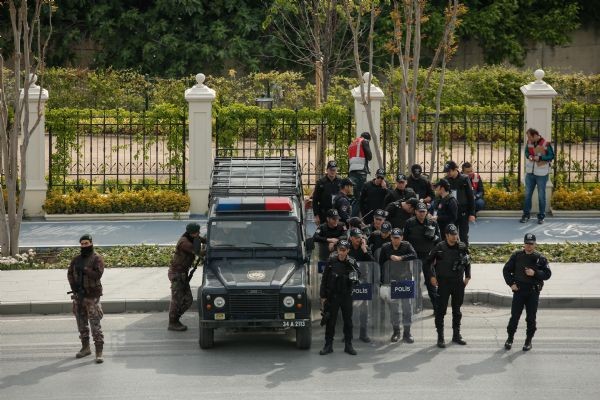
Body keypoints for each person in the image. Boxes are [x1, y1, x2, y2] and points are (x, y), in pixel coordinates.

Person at [502, 233, 552, 351]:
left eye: (531, 244)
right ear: (523, 244)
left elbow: (547, 274)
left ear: (535, 244)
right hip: (519, 291)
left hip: (532, 292)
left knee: (530, 318)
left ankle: (528, 340)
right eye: (527, 243)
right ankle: (510, 338)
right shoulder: (517, 255)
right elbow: (506, 270)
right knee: (514, 317)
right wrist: (511, 283)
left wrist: (535, 273)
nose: (529, 246)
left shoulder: (540, 258)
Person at [426, 224, 471, 349]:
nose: (455, 236)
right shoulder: (440, 247)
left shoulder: (462, 247)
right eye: (452, 234)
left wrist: (468, 276)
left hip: (458, 283)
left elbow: (467, 261)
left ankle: (456, 335)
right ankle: (440, 337)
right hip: (444, 283)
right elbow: (428, 262)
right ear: (446, 235)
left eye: (456, 234)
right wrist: (432, 276)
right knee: (441, 311)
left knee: (457, 310)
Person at [67, 234, 106, 363]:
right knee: (81, 323)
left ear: (91, 243)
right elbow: (70, 273)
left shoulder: (97, 259)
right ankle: (85, 348)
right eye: (82, 244)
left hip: (92, 296)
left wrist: (85, 270)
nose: (84, 246)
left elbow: (97, 275)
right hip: (79, 296)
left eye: (86, 243)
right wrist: (74, 287)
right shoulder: (76, 259)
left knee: (95, 324)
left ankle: (99, 352)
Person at [319, 240, 361, 356]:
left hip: (346, 295)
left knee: (348, 321)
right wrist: (323, 296)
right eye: (339, 250)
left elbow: (358, 276)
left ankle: (348, 345)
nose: (341, 252)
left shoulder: (352, 262)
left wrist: (354, 277)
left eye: (344, 250)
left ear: (348, 250)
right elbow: (325, 278)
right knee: (330, 322)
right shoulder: (331, 261)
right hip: (333, 296)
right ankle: (328, 346)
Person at [378, 228, 417, 343]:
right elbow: (381, 264)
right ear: (391, 238)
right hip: (392, 281)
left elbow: (414, 255)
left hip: (405, 280)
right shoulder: (386, 247)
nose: (395, 240)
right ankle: (396, 332)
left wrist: (401, 258)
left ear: (402, 238)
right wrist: (382, 282)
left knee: (407, 308)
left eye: (398, 238)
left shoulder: (406, 245)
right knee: (394, 308)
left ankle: (407, 332)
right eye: (394, 238)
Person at [404, 201, 442, 313]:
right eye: (419, 211)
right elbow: (405, 241)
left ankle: (436, 307)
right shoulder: (409, 223)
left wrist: (436, 257)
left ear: (426, 212)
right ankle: (417, 306)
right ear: (415, 212)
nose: (421, 213)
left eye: (423, 211)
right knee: (415, 282)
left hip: (428, 257)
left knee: (431, 283)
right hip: (414, 257)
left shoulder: (432, 223)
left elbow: (438, 242)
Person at [168, 222, 205, 331]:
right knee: (176, 300)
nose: (199, 233)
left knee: (188, 300)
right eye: (197, 232)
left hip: (183, 274)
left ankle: (176, 318)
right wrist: (210, 250)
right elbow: (199, 252)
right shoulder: (184, 242)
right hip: (177, 274)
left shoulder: (192, 237)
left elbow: (203, 240)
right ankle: (173, 322)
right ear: (192, 232)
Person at [347, 227, 376, 343]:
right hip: (349, 281)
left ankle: (363, 334)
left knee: (364, 309)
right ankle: (348, 333)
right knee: (348, 308)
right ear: (351, 238)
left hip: (363, 281)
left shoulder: (365, 248)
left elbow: (373, 263)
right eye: (356, 238)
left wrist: (364, 249)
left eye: (360, 237)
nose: (359, 240)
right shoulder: (346, 248)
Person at [521, 128, 555, 224]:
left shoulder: (545, 144)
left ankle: (541, 217)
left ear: (535, 135)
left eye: (529, 136)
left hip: (542, 174)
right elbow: (527, 152)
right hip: (530, 173)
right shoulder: (529, 142)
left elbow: (551, 156)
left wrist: (540, 157)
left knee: (541, 196)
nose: (528, 138)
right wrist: (529, 156)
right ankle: (526, 215)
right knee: (527, 195)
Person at [444, 161, 476, 245]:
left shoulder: (464, 179)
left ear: (455, 169)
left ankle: (464, 252)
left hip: (463, 211)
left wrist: (472, 213)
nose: (448, 173)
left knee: (463, 234)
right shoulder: (446, 180)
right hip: (451, 211)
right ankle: (453, 253)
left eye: (449, 171)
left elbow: (470, 197)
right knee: (451, 234)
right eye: (447, 171)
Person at [348, 132, 373, 215]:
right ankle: (353, 220)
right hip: (361, 172)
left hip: (352, 172)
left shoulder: (352, 143)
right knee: (360, 198)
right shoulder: (364, 141)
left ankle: (351, 216)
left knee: (354, 197)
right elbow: (369, 156)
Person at [312, 160, 341, 225]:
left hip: (337, 214)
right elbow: (315, 200)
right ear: (327, 170)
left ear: (336, 170)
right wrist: (316, 216)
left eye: (334, 170)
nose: (332, 172)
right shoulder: (321, 182)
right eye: (331, 170)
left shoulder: (340, 181)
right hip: (324, 214)